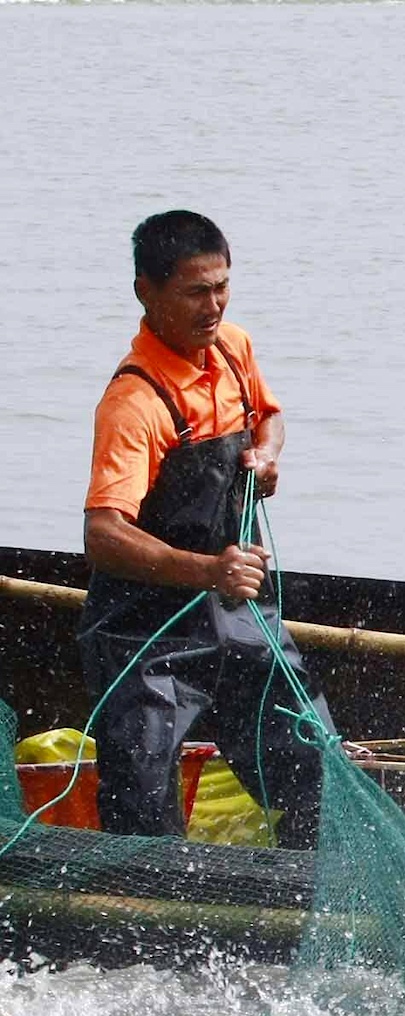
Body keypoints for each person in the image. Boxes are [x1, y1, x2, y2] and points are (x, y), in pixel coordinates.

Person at [80, 211, 336, 845]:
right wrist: (206, 570)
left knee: (311, 761)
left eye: (222, 286)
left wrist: (266, 455)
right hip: (147, 635)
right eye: (196, 291)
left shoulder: (233, 347)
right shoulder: (133, 403)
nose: (214, 305)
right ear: (147, 290)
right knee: (142, 804)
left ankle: (316, 881)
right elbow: (104, 534)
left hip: (240, 612)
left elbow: (269, 418)